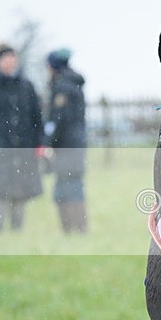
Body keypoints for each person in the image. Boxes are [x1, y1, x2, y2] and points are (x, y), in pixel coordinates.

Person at [0, 44, 43, 233]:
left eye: (12, 59)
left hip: (24, 149)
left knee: (20, 193)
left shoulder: (26, 86)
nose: (9, 63)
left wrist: (39, 143)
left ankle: (17, 232)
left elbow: (36, 118)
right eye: (5, 59)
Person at [44, 48, 88, 233]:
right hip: (77, 143)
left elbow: (59, 120)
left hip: (65, 145)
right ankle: (78, 227)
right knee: (73, 184)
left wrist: (48, 141)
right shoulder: (74, 84)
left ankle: (71, 228)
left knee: (65, 187)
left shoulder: (62, 87)